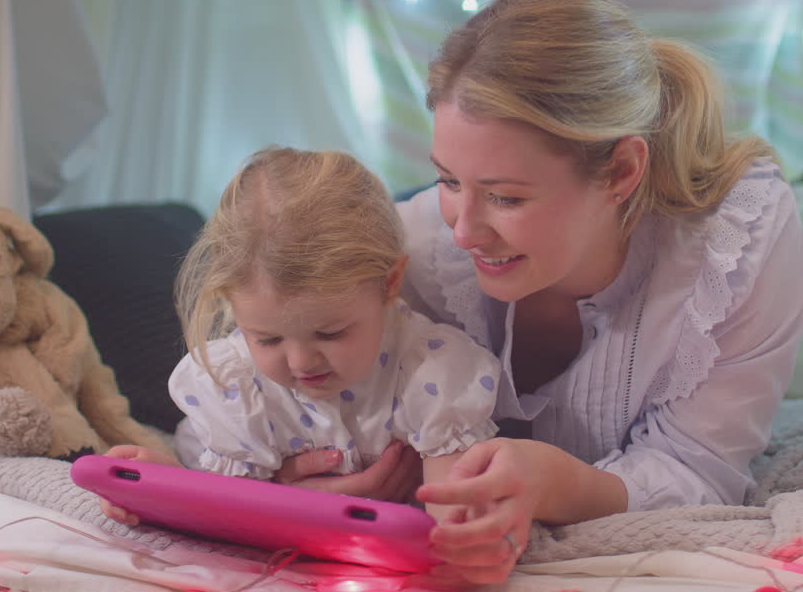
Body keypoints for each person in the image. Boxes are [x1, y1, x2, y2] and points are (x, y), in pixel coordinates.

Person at [275, 0, 803, 585]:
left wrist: (557, 483)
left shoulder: (734, 245)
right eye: (448, 180)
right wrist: (291, 478)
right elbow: (267, 370)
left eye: (506, 196)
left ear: (621, 172)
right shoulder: (417, 251)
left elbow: (701, 467)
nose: (466, 231)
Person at [98, 147, 501, 526]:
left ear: (390, 283)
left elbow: (454, 518)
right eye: (268, 340)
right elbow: (228, 509)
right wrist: (166, 484)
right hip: (216, 461)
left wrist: (454, 534)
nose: (301, 363)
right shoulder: (236, 387)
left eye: (330, 333)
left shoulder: (431, 371)